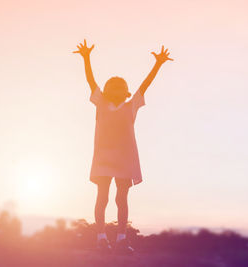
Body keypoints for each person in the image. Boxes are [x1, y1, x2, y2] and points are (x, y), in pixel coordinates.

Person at [73, 39, 173, 253]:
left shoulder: (131, 105)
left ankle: (121, 239)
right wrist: (86, 58)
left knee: (121, 198)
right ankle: (101, 237)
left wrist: (158, 64)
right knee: (102, 196)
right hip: (102, 157)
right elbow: (91, 81)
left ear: (126, 92)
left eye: (121, 87)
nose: (117, 89)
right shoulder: (100, 103)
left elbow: (145, 84)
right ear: (107, 90)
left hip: (126, 158)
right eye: (113, 86)